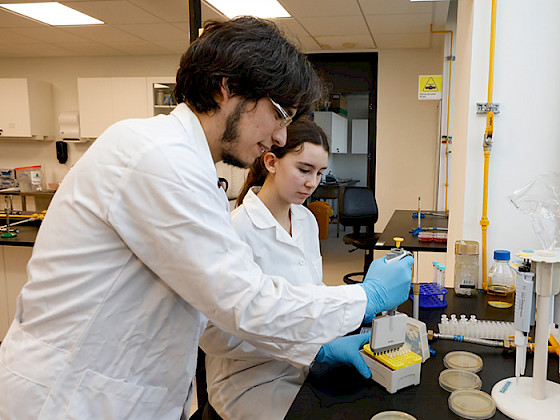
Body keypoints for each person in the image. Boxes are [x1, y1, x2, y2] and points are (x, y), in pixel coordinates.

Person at [0, 17, 413, 419]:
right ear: (227, 89)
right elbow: (245, 302)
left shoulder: (195, 174)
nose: (281, 137)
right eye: (279, 113)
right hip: (67, 398)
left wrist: (316, 345)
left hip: (125, 393)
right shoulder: (156, 156)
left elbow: (213, 316)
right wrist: (365, 297)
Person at [200, 118, 372, 420]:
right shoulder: (234, 231)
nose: (312, 183)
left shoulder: (305, 220)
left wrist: (336, 324)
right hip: (250, 384)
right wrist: (311, 346)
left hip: (302, 368)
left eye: (319, 173)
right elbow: (214, 334)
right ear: (271, 162)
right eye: (304, 169)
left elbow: (311, 293)